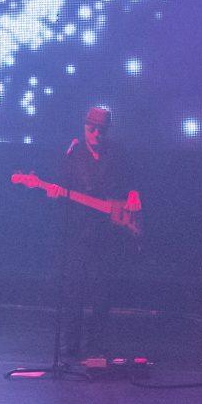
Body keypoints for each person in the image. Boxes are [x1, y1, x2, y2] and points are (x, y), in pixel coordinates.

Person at [50, 108, 139, 360]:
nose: (96, 133)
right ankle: (71, 345)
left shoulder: (118, 153)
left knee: (102, 291)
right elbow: (60, 186)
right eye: (91, 128)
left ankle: (97, 344)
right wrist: (55, 193)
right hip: (78, 231)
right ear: (84, 126)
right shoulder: (73, 153)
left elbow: (133, 181)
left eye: (101, 129)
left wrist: (134, 194)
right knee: (73, 290)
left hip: (108, 232)